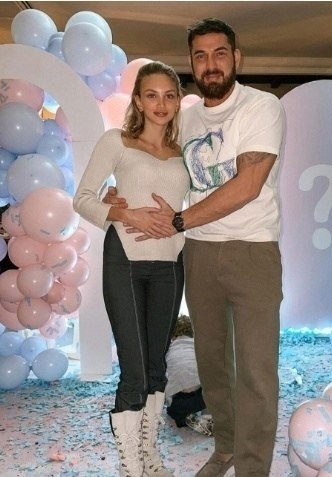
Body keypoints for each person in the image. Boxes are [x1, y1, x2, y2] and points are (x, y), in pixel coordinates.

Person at [105, 17, 285, 477]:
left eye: (219, 53)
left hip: (252, 250)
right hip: (198, 253)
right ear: (192, 62)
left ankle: (251, 468)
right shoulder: (184, 118)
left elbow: (248, 184)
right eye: (200, 56)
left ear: (236, 57)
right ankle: (225, 448)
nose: (210, 64)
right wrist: (119, 197)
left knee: (256, 371)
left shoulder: (261, 106)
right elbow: (153, 163)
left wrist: (180, 220)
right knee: (212, 365)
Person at [73, 61, 190, 477]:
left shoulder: (186, 151)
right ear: (138, 100)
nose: (161, 104)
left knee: (157, 366)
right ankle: (131, 467)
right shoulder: (116, 142)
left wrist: (180, 219)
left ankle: (149, 455)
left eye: (169, 95)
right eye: (151, 95)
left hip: (171, 264)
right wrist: (126, 214)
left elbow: (197, 204)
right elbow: (82, 198)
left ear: (178, 101)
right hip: (123, 261)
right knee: (135, 371)